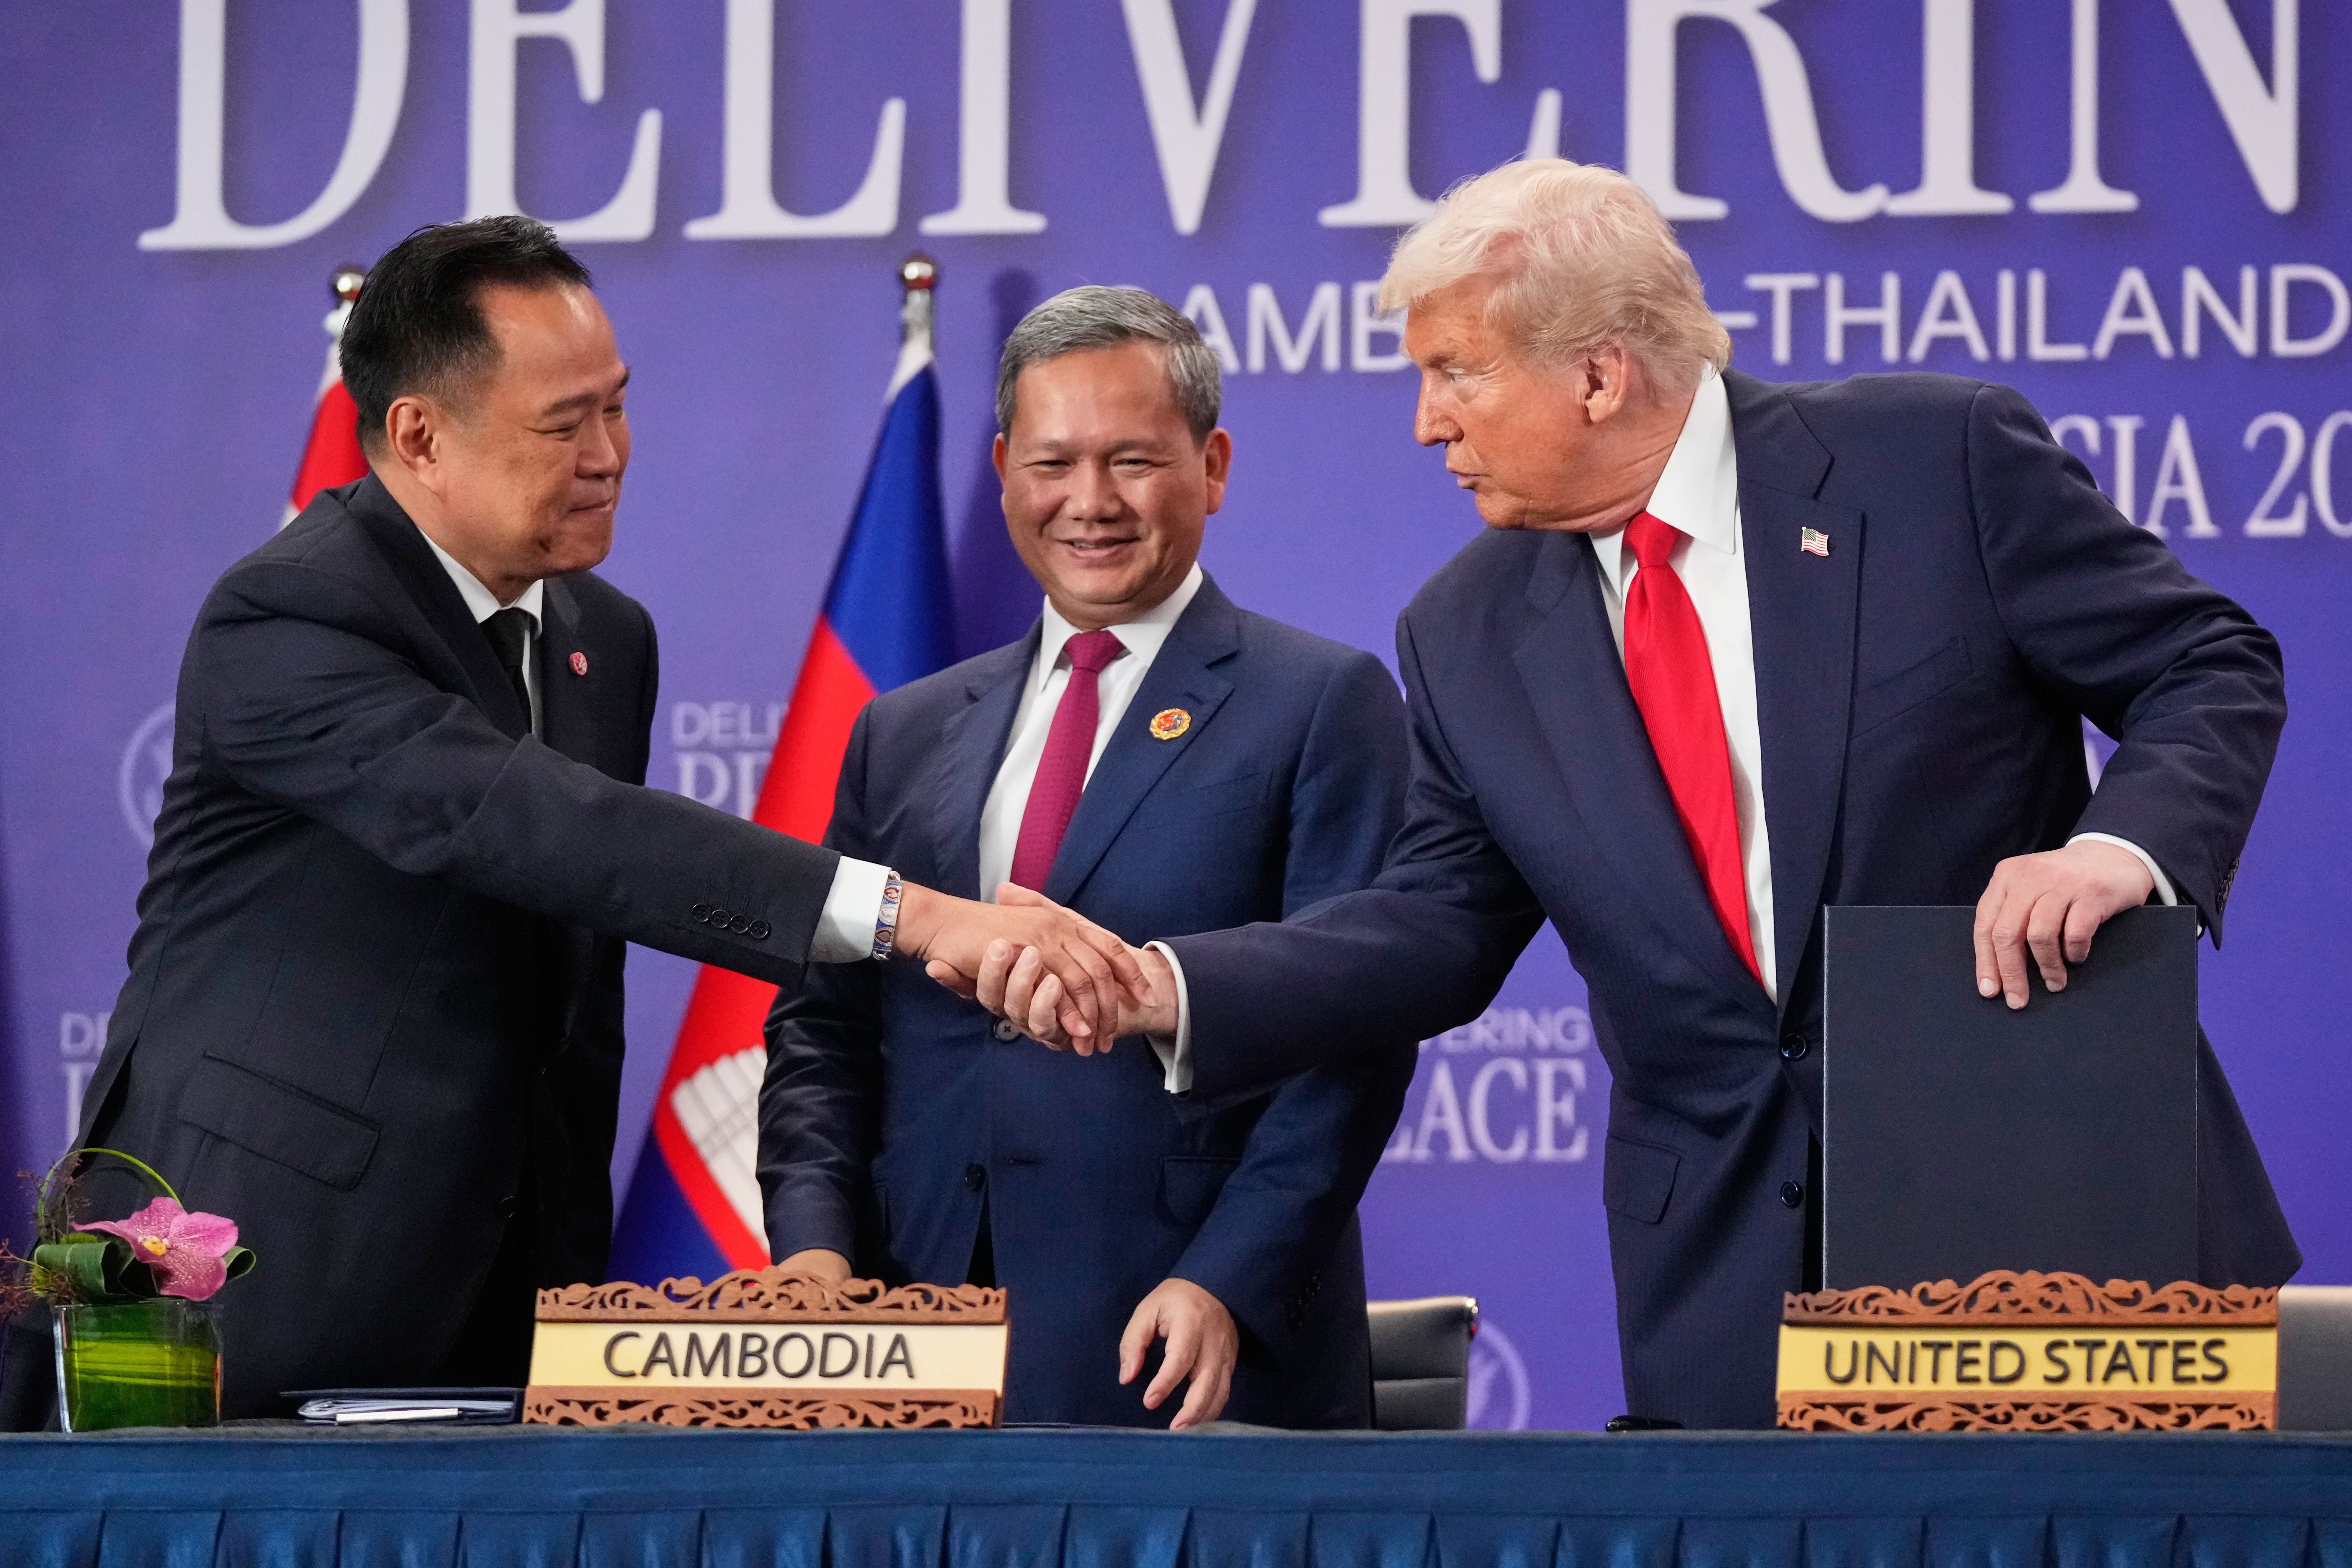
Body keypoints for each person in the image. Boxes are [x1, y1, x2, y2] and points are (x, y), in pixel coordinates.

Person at [966, 161, 2301, 1429]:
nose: (1427, 420)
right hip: (1727, 1284)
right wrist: (1164, 985)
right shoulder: (1465, 626)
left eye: (1454, 374)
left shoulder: (1931, 460)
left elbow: (2206, 661)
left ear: (1598, 373)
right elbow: (1433, 923)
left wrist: (2119, 846)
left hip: (2047, 1222)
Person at [56, 217, 1137, 1419]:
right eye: (564, 424)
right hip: (260, 1282)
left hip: (517, 1296)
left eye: (616, 407)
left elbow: (571, 959)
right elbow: (549, 829)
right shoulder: (293, 615)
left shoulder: (601, 636)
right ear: (418, 435)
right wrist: (914, 914)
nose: (610, 453)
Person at [761, 288, 1415, 1428]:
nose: (1090, 503)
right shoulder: (902, 728)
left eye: (1133, 461)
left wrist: (1228, 1277)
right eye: (1054, 462)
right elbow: (826, 1026)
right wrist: (815, 1251)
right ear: (1007, 468)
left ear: (1212, 465)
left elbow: (1352, 1039)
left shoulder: (1321, 701)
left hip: (1180, 1346)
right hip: (908, 1347)